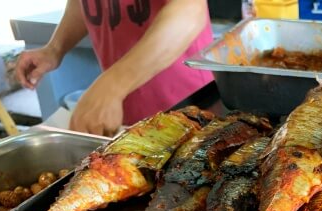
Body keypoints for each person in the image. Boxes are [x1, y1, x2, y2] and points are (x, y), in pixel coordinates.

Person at [15, 0, 214, 136]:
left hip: (187, 107)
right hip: (127, 112)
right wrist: (54, 49)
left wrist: (111, 86)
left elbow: (189, 11)